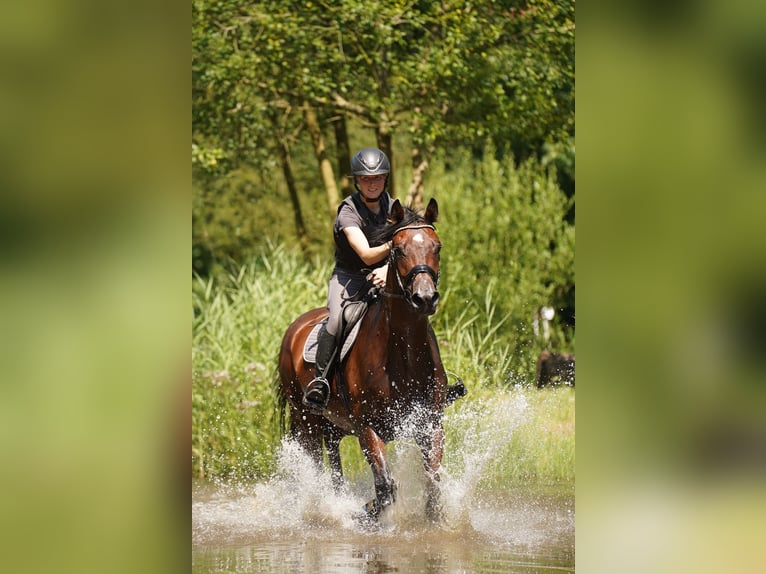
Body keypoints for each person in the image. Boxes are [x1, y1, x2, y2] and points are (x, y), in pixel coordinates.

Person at [302, 147, 394, 412]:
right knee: (336, 319)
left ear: (385, 178)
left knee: (415, 308)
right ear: (357, 181)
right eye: (366, 179)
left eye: (377, 178)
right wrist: (394, 246)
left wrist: (388, 270)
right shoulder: (348, 211)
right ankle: (320, 382)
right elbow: (365, 255)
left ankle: (433, 379)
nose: (372, 183)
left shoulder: (393, 206)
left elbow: (409, 247)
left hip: (386, 275)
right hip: (350, 278)